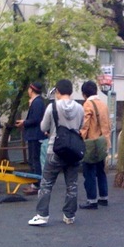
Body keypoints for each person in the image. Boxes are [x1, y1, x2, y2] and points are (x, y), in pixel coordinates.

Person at [29, 79, 84, 226]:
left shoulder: (52, 106)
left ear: (58, 91)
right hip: (73, 150)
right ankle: (69, 216)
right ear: (71, 91)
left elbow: (43, 127)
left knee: (46, 183)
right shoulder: (80, 108)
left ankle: (42, 215)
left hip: (55, 148)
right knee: (72, 185)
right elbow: (81, 125)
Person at [79, 80, 111, 209]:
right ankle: (104, 197)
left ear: (84, 94)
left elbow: (85, 124)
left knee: (89, 172)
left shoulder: (87, 104)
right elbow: (108, 124)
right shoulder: (103, 104)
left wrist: (80, 137)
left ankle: (92, 200)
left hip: (91, 143)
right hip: (102, 142)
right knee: (101, 171)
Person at [15, 82, 47, 195]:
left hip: (35, 134)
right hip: (34, 134)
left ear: (31, 90)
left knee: (35, 159)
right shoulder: (37, 101)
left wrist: (24, 122)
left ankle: (36, 184)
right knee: (33, 159)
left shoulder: (37, 102)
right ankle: (34, 183)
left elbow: (36, 119)